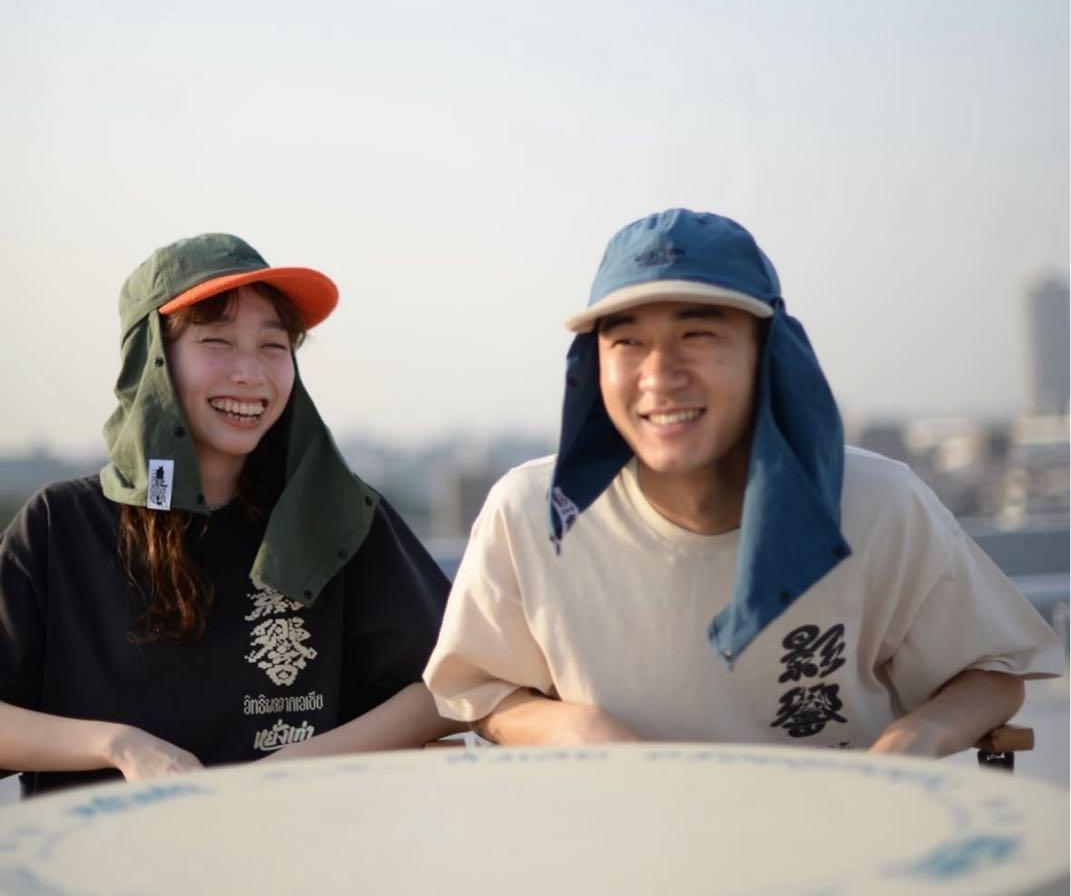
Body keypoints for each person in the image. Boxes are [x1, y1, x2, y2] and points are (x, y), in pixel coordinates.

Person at [425, 209, 1064, 753]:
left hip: (838, 838)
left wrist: (906, 748)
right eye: (627, 343)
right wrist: (581, 729)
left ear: (769, 353)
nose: (659, 375)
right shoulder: (532, 513)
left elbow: (991, 668)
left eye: (697, 333)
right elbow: (479, 690)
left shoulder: (879, 503)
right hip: (613, 839)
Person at [0, 233, 459, 796]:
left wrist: (298, 763)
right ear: (152, 360)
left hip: (300, 843)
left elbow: (454, 683)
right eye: (216, 341)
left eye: (274, 345)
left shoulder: (336, 517)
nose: (251, 373)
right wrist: (119, 745)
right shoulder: (60, 525)